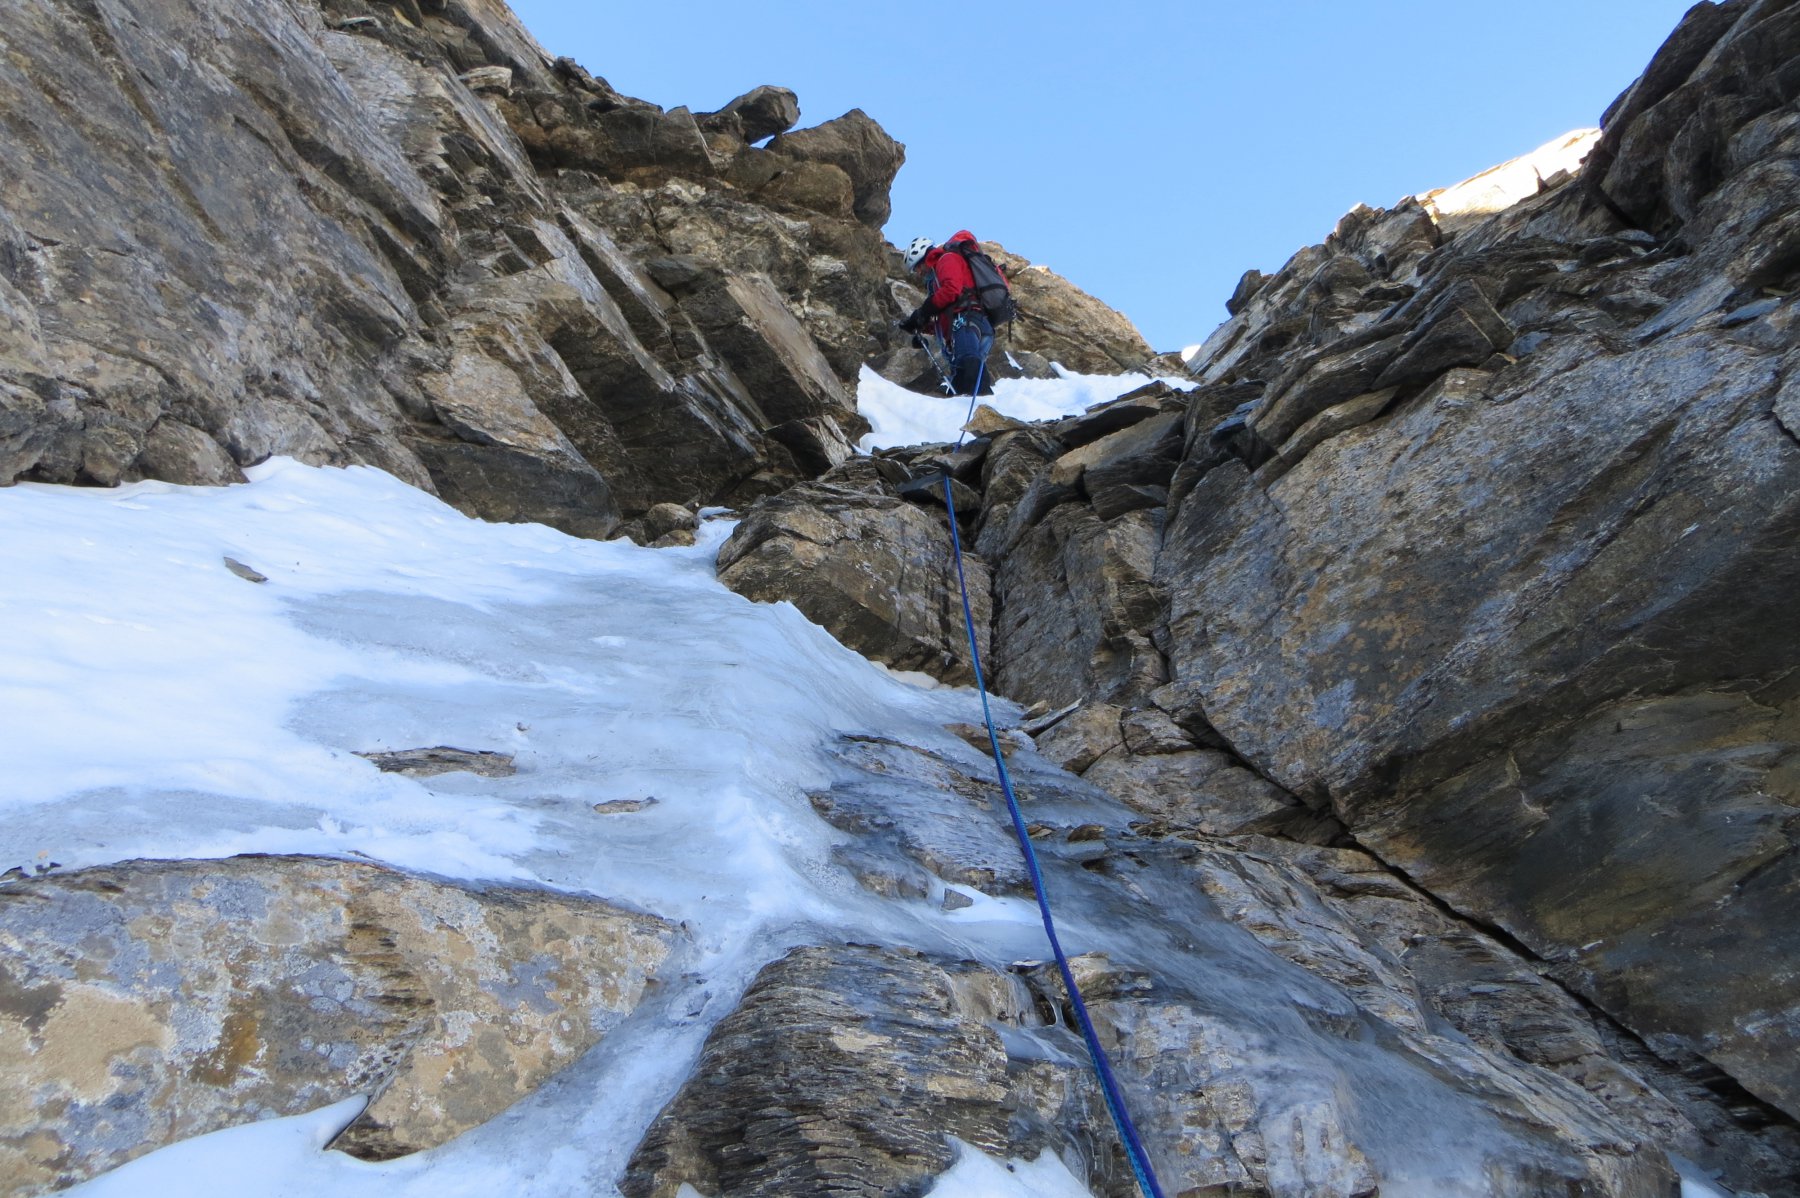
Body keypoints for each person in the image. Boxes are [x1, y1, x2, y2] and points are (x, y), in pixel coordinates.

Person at [898, 231, 994, 396]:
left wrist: (924, 310)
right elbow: (942, 314)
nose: (918, 273)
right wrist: (920, 325)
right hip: (971, 322)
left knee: (967, 360)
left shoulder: (946, 259)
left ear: (924, 259)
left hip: (967, 319)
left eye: (917, 267)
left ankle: (981, 403)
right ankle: (971, 407)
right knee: (960, 375)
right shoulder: (935, 279)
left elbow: (951, 291)